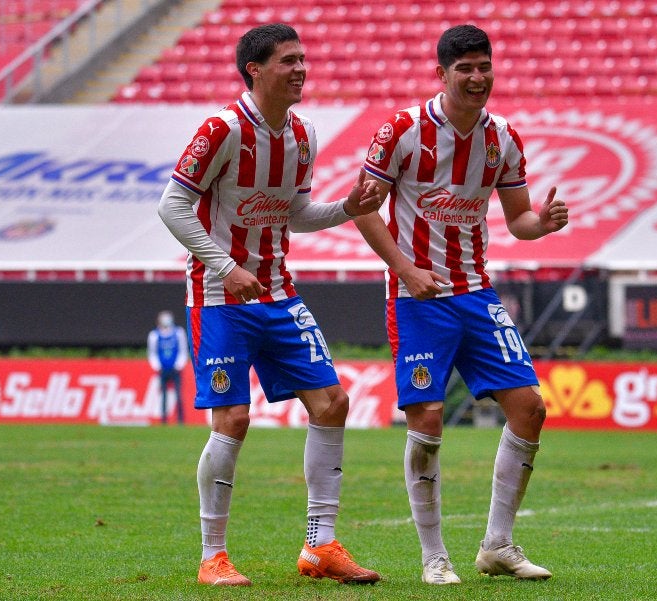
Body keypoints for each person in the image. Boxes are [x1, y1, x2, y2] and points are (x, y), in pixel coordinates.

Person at [157, 23, 383, 587]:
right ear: (255, 69)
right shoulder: (221, 129)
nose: (301, 69)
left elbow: (297, 215)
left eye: (303, 58)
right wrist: (224, 266)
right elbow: (172, 207)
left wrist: (348, 207)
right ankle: (213, 556)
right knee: (233, 418)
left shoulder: (302, 134)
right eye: (288, 60)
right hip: (218, 297)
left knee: (331, 402)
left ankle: (321, 546)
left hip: (279, 292)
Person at [353, 24, 569, 585]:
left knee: (531, 408)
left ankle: (498, 544)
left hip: (476, 292)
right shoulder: (402, 131)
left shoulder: (502, 138)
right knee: (427, 418)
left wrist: (540, 225)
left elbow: (518, 219)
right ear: (442, 74)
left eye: (484, 67)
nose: (477, 78)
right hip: (418, 297)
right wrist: (404, 267)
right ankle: (434, 555)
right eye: (465, 69)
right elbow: (362, 207)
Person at [146, 310, 189, 424]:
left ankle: (181, 420)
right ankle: (163, 420)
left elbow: (183, 350)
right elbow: (152, 353)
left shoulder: (178, 332)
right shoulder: (154, 335)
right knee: (163, 395)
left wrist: (179, 365)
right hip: (163, 370)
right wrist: (157, 366)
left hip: (175, 370)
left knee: (178, 395)